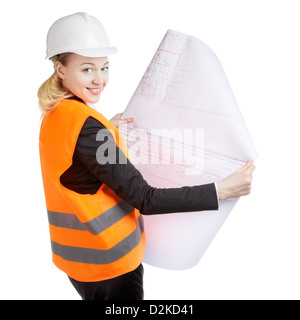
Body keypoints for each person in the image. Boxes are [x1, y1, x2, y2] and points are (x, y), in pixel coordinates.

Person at [38, 12, 255, 300]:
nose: (99, 80)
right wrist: (220, 190)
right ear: (60, 68)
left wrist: (106, 130)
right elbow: (145, 198)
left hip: (77, 261)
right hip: (110, 267)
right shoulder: (90, 130)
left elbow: (75, 161)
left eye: (104, 68)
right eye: (87, 69)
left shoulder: (56, 112)